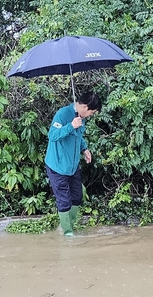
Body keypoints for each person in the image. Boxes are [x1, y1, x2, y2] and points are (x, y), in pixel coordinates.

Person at [45, 91, 101, 237]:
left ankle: (66, 226)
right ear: (85, 107)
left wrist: (85, 149)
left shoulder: (80, 118)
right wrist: (70, 125)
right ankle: (67, 233)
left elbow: (78, 136)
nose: (91, 115)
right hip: (57, 166)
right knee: (64, 201)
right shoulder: (63, 114)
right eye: (92, 112)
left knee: (77, 197)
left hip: (72, 165)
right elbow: (52, 135)